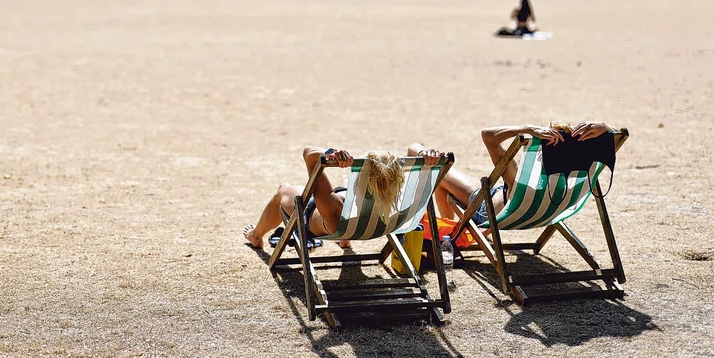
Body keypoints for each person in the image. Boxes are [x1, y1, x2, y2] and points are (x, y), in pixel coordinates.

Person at [244, 145, 445, 249]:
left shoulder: (334, 210)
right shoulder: (398, 204)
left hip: (329, 222)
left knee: (284, 190)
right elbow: (413, 147)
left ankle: (256, 235)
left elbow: (308, 153)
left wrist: (330, 153)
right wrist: (424, 152)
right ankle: (346, 241)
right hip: (376, 226)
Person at [431, 121, 615, 224]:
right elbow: (614, 139)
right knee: (455, 184)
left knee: (440, 171)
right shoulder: (578, 176)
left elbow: (487, 135)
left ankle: (449, 233)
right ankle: (449, 229)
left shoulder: (520, 181)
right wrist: (606, 128)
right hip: (546, 214)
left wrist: (527, 129)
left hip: (485, 208)